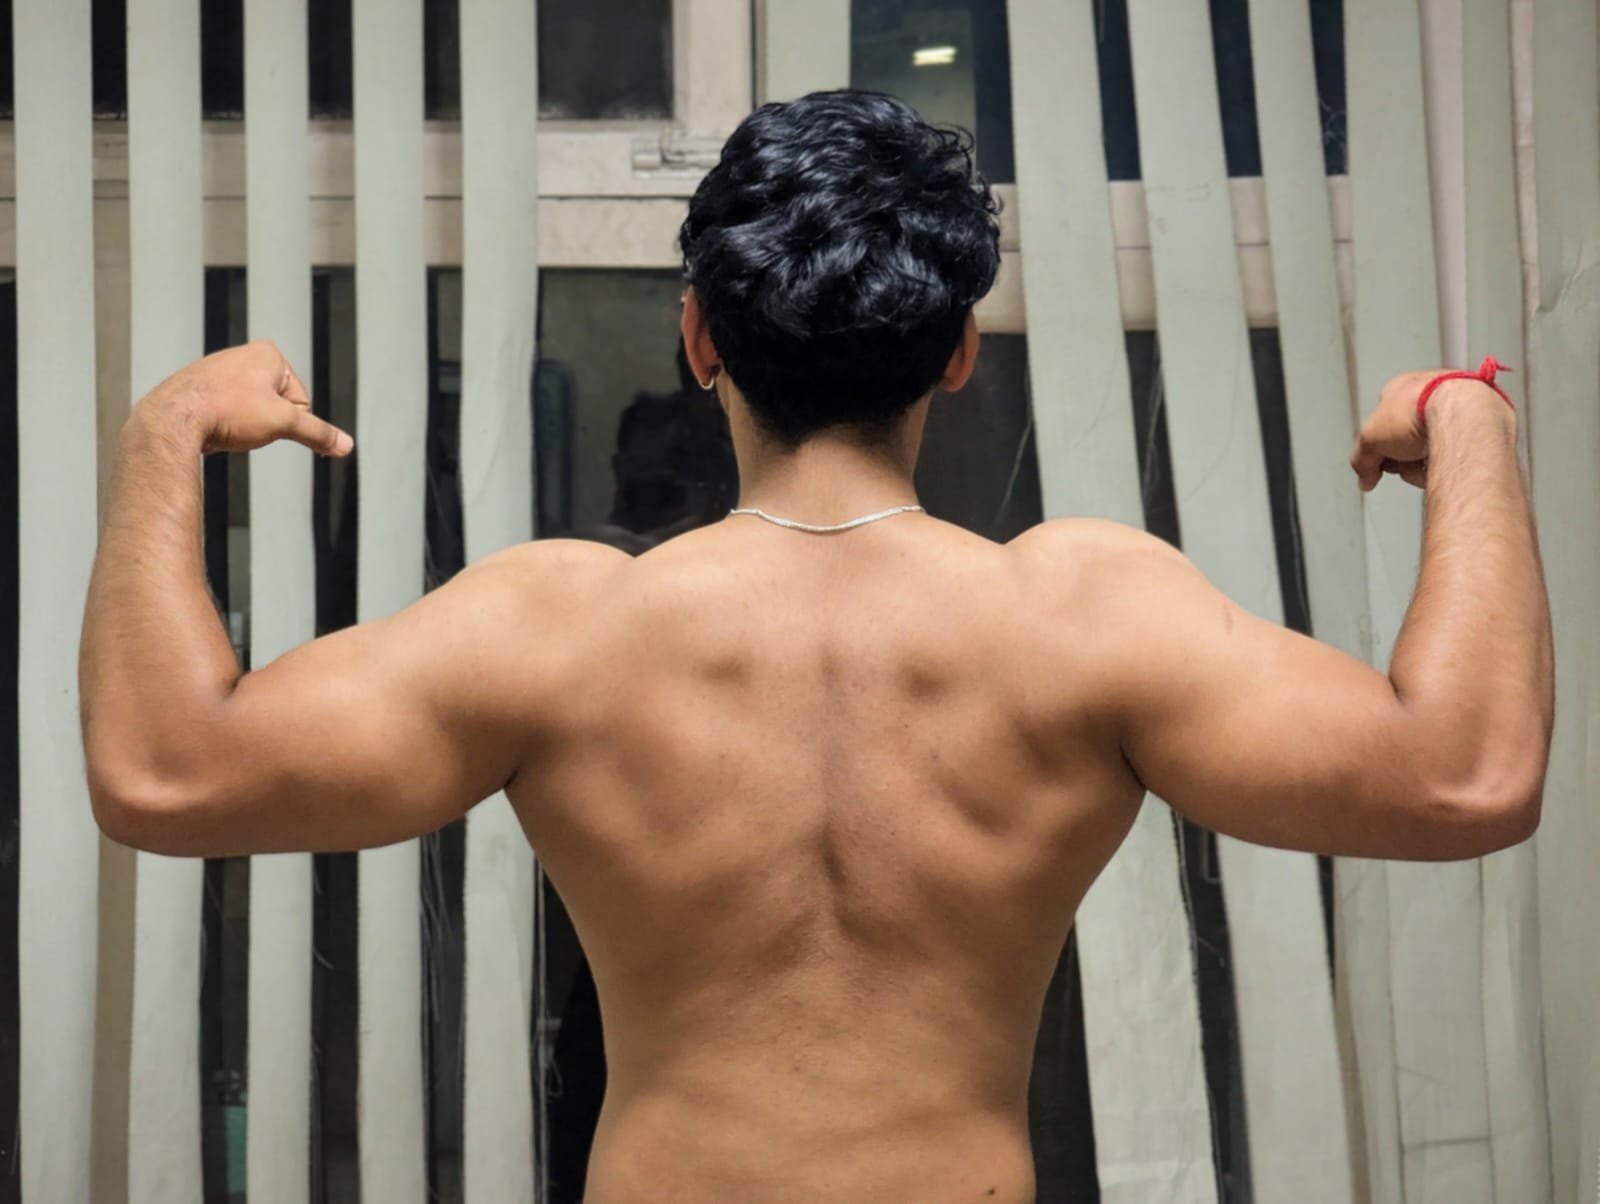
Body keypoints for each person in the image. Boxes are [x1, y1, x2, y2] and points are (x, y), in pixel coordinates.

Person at [80, 91, 1552, 1202]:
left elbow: (161, 773)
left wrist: (163, 437)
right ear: (959, 354)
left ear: (700, 341)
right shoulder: (1085, 615)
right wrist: (1466, 418)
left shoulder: (561, 631)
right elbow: (1468, 777)